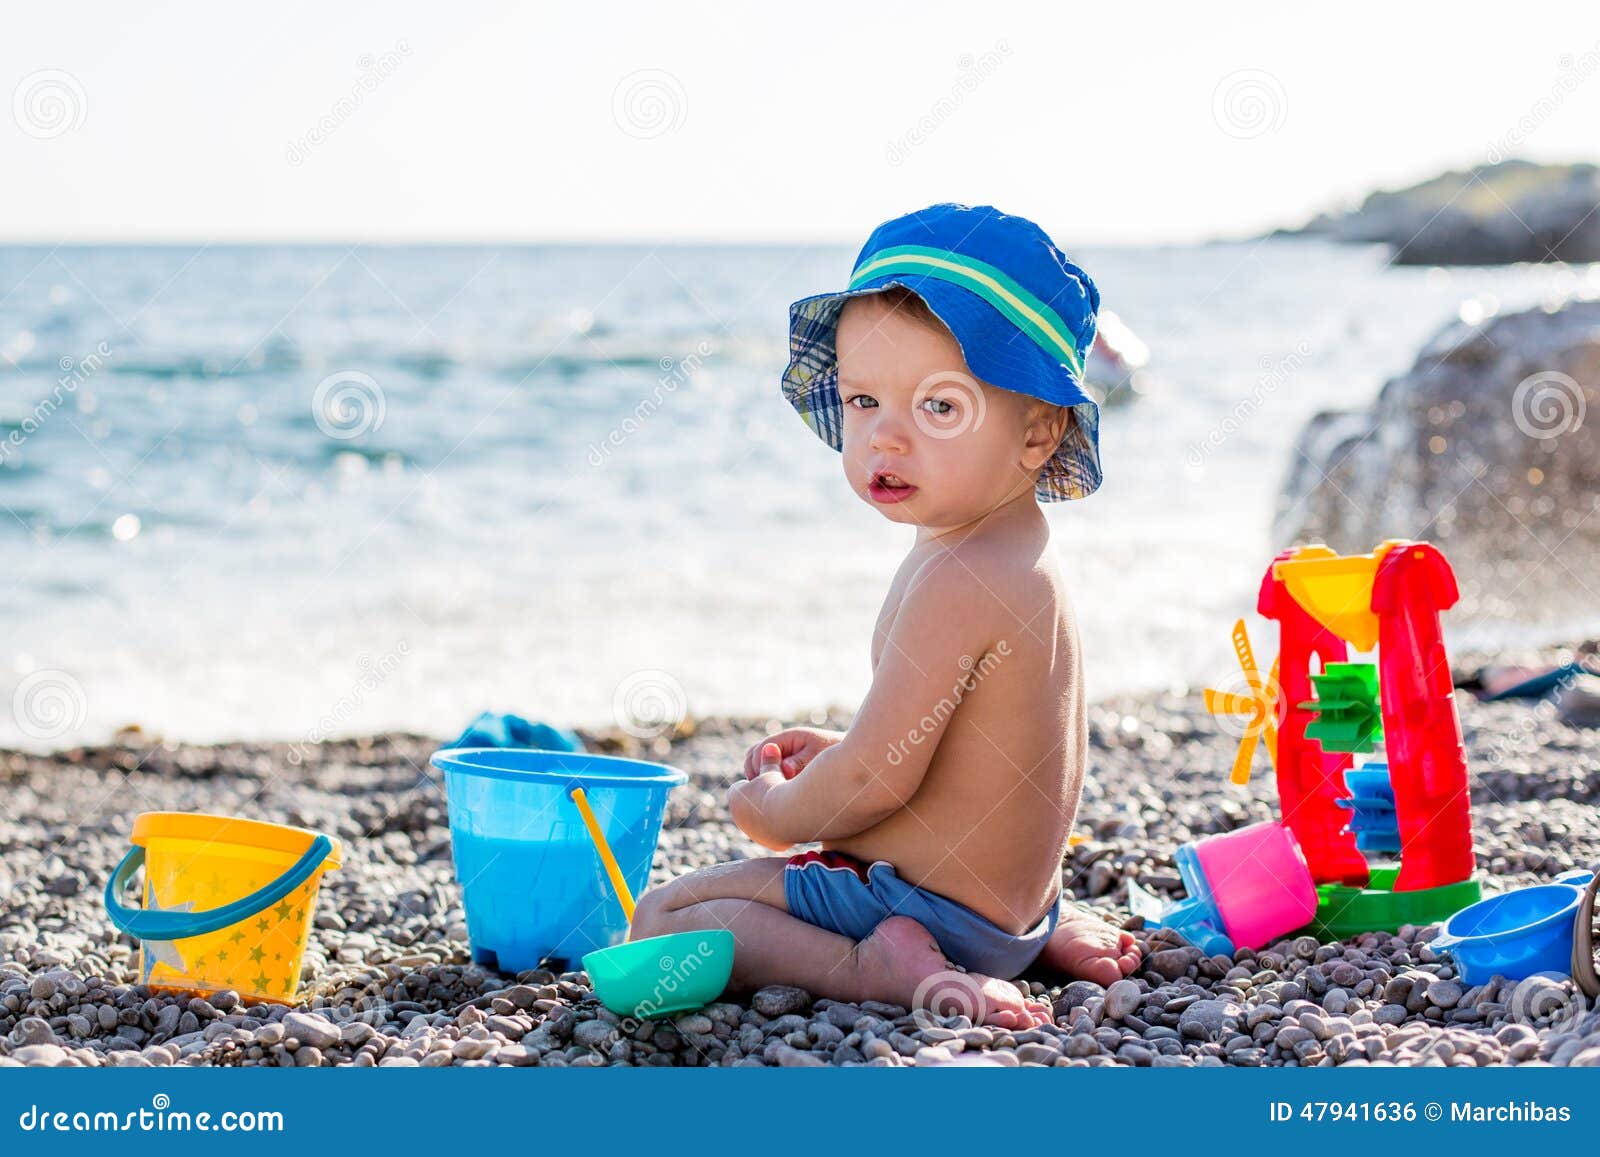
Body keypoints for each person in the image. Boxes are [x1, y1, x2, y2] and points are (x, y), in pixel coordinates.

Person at [629, 204, 1141, 1027]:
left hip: (930, 907)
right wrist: (843, 748)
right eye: (864, 400)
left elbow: (872, 782)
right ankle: (1041, 935)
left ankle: (877, 968)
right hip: (1010, 909)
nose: (885, 439)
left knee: (665, 917)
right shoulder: (1015, 551)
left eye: (938, 406)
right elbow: (968, 750)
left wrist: (774, 812)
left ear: (1040, 431)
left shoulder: (958, 577)